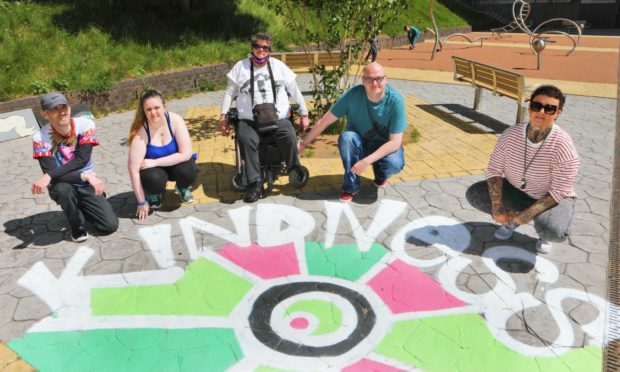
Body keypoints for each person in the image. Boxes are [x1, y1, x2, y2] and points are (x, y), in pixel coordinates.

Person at [466, 85, 580, 254]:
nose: (541, 111)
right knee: (475, 194)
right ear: (530, 107)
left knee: (553, 229)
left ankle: (541, 233)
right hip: (518, 191)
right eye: (536, 105)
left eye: (549, 108)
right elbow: (494, 170)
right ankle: (510, 218)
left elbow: (559, 191)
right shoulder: (510, 135)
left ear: (558, 113)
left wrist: (524, 217)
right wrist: (497, 207)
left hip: (552, 198)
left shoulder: (563, 147)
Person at [219, 32, 310, 203]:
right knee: (245, 138)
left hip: (278, 118)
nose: (261, 50)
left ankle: (293, 167)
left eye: (265, 47)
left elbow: (295, 90)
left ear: (270, 50)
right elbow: (229, 92)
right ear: (252, 48)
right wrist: (223, 116)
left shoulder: (279, 66)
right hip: (249, 120)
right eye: (257, 46)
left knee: (288, 132)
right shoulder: (241, 67)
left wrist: (304, 113)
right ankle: (254, 182)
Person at [298, 62, 406, 203]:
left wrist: (366, 162)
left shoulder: (395, 101)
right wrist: (304, 144)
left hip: (383, 146)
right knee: (347, 138)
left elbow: (395, 143)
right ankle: (350, 186)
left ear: (385, 79)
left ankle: (380, 174)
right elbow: (325, 121)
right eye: (369, 79)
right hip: (359, 144)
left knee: (394, 163)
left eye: (379, 78)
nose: (374, 83)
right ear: (363, 80)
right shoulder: (353, 95)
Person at [31, 92, 118, 242]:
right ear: (45, 114)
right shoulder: (40, 137)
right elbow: (52, 173)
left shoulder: (85, 124)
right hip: (63, 183)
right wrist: (84, 175)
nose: (61, 112)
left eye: (64, 107)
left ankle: (81, 205)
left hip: (85, 183)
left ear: (69, 108)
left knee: (109, 226)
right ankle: (76, 225)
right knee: (63, 190)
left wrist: (49, 176)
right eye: (55, 109)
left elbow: (82, 160)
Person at [127, 88, 197, 221]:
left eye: (156, 107)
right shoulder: (141, 133)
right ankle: (155, 193)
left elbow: (186, 154)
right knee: (153, 179)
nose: (153, 112)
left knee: (189, 170)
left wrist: (155, 162)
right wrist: (141, 202)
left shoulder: (175, 120)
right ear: (144, 111)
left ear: (164, 106)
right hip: (155, 172)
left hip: (172, 165)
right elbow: (133, 171)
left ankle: (182, 187)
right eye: (148, 109)